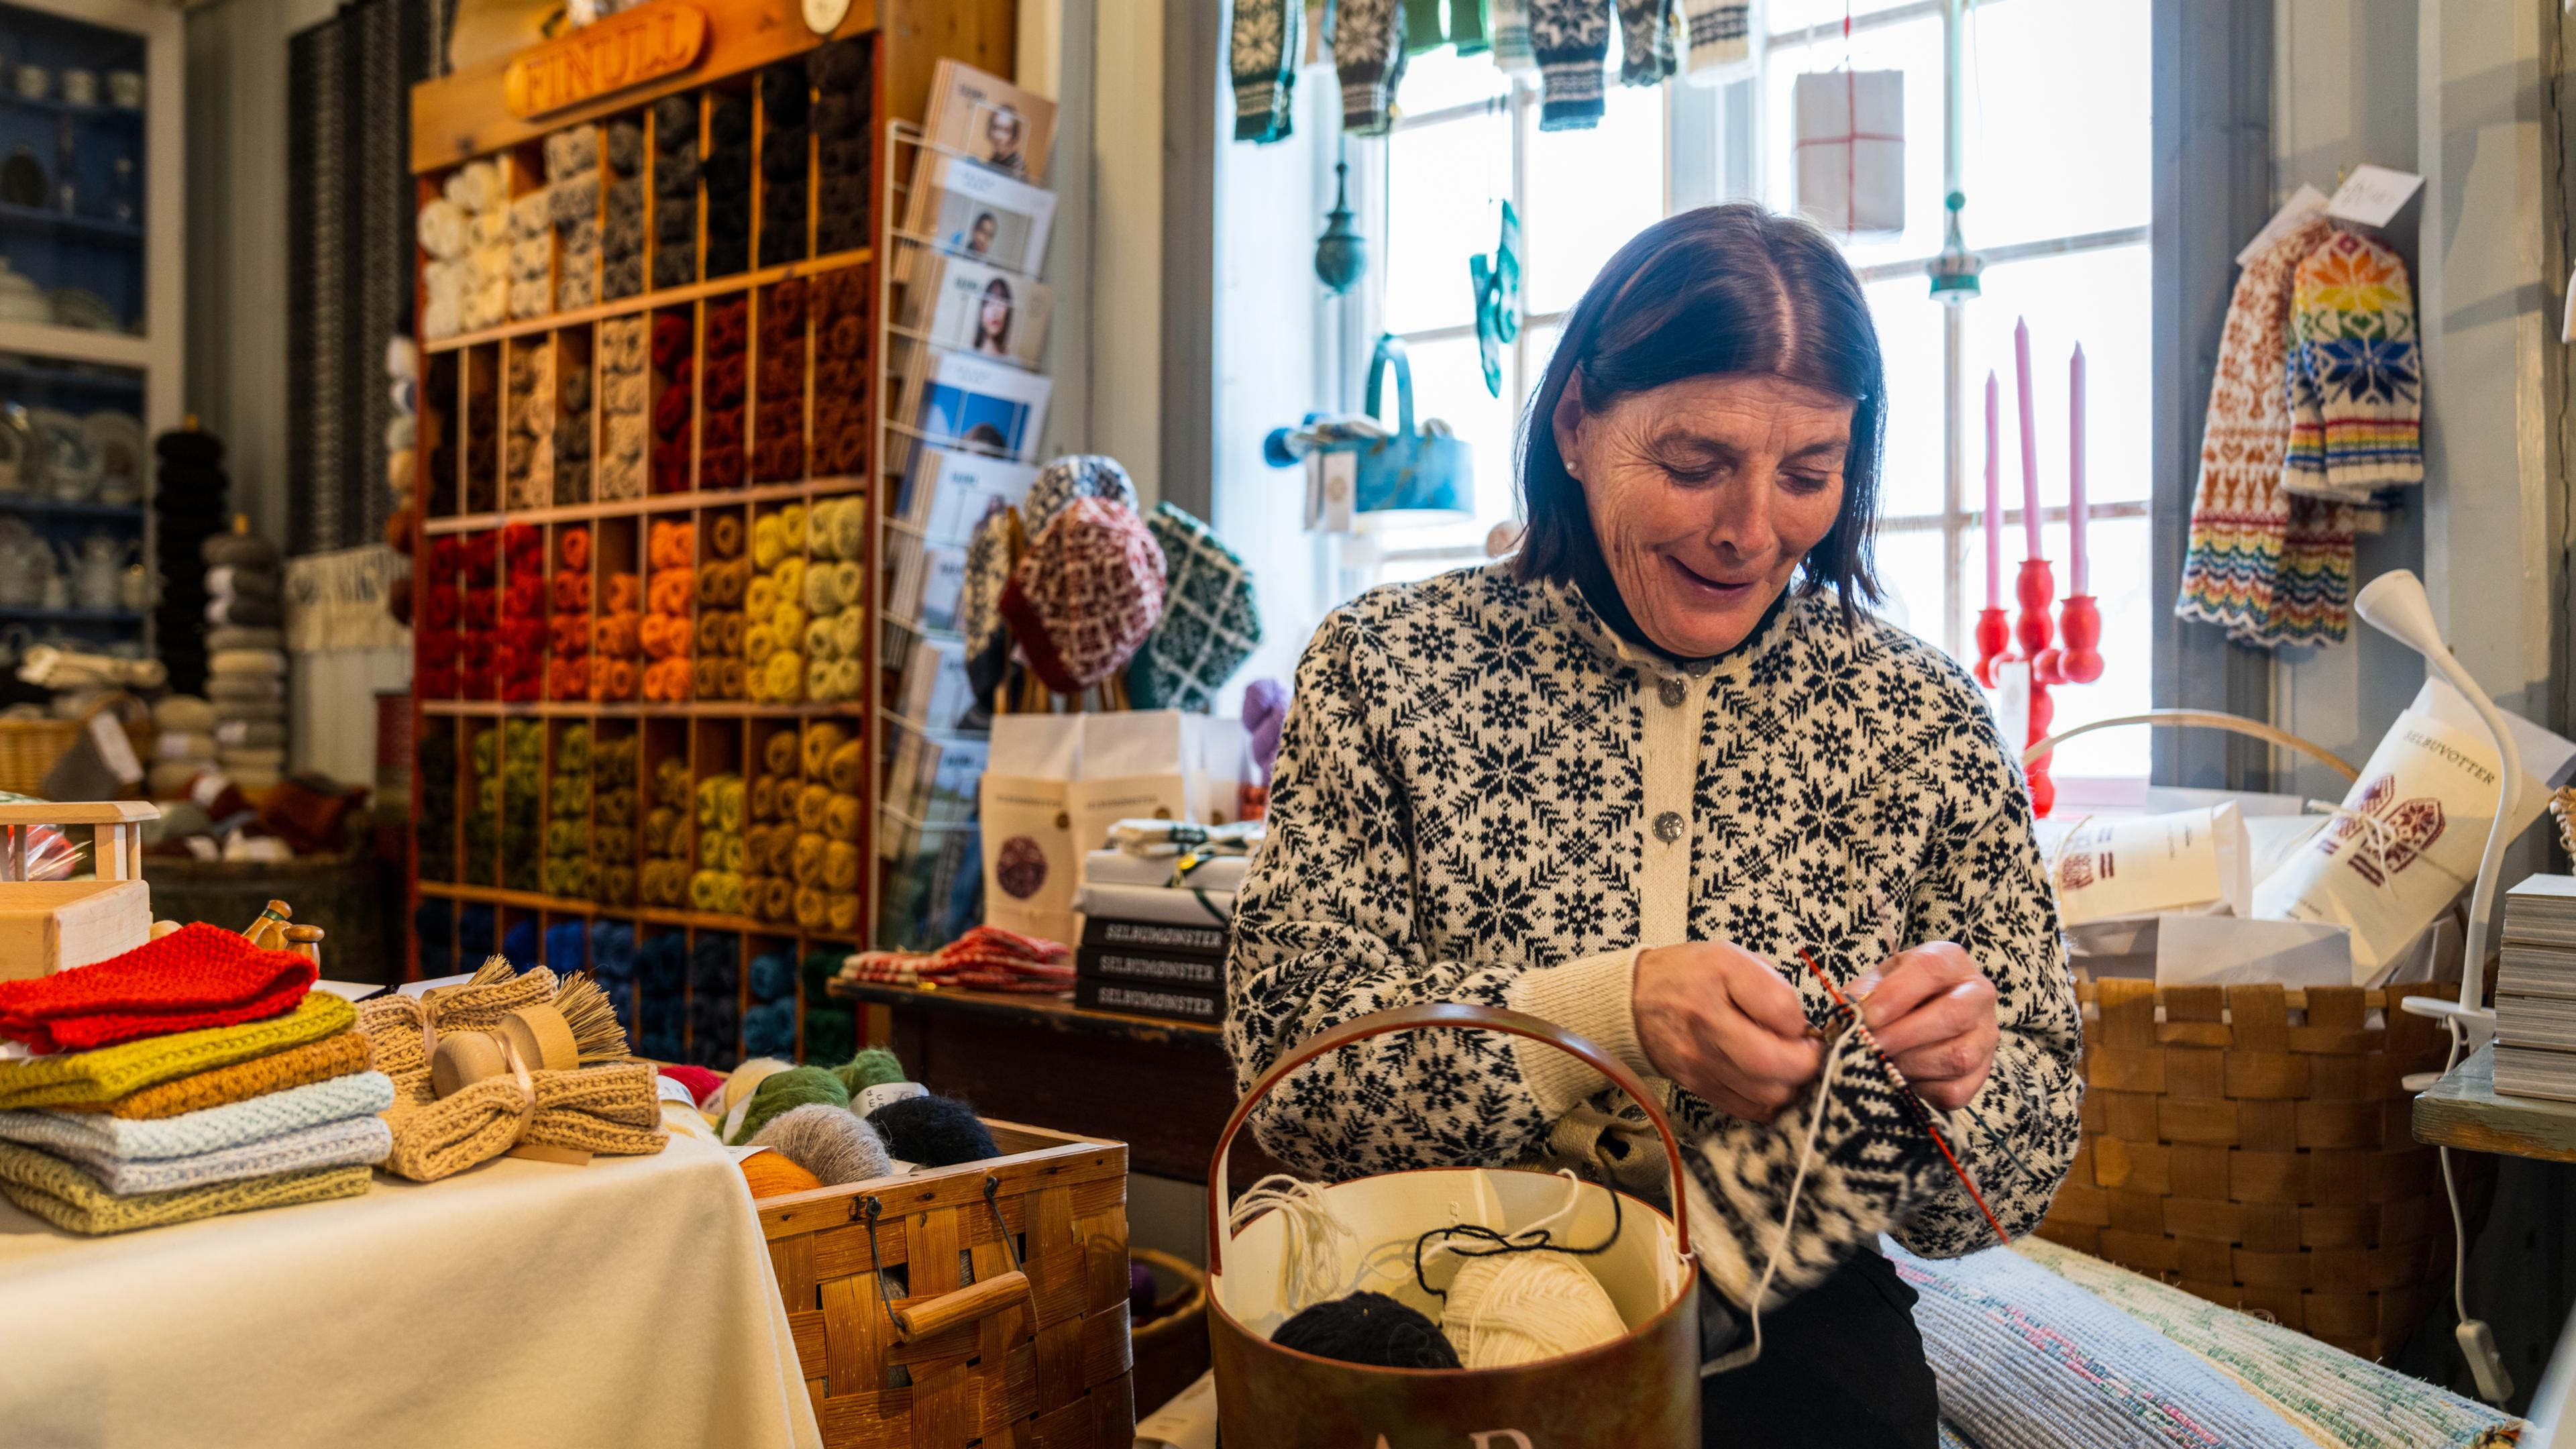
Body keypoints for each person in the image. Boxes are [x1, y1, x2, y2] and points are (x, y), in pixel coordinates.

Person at [1226, 203, 2081, 1448]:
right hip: (1435, 1305)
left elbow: (2010, 1183)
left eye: (1809, 474)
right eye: (1694, 465)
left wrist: (1956, 1078)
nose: (1751, 529)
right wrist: (1602, 1016)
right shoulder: (1388, 670)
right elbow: (1282, 1062)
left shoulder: (1925, 722)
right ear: (1577, 425)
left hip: (1794, 1350)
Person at [969, 276, 1014, 356]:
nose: (995, 311)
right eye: (990, 303)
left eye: (1001, 302)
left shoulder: (1014, 365)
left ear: (1008, 311)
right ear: (981, 312)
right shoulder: (965, 356)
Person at [981, 103, 1026, 173]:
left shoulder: (1017, 168)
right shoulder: (994, 160)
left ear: (1014, 135)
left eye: (1006, 131)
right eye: (996, 127)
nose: (999, 136)